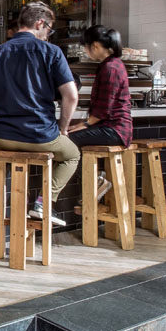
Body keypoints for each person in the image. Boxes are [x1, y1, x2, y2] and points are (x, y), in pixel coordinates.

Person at [0, 1, 80, 227]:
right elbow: (71, 96)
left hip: (1, 138)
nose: (48, 35)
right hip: (40, 137)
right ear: (40, 23)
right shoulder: (52, 52)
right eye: (49, 29)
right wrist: (63, 129)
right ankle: (43, 204)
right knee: (72, 155)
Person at [68, 24, 132, 201]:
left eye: (86, 48)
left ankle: (95, 182)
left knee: (69, 141)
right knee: (72, 137)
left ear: (95, 46)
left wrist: (84, 125)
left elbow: (104, 109)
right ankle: (96, 179)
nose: (86, 52)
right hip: (116, 128)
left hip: (115, 130)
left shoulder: (110, 68)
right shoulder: (113, 64)